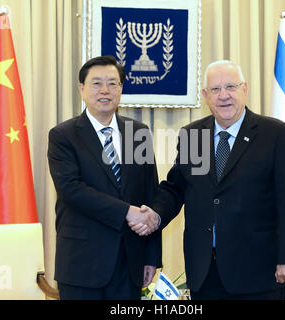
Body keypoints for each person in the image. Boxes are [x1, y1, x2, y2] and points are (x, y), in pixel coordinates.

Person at [135, 60, 285, 300]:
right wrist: (155, 214)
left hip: (258, 272)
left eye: (230, 87)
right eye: (215, 89)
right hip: (205, 273)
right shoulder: (193, 135)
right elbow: (176, 188)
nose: (223, 95)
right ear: (206, 95)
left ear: (244, 89)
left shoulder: (274, 134)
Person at [47, 55, 161, 300]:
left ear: (121, 89)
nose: (105, 90)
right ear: (82, 89)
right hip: (82, 265)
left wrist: (151, 257)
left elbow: (149, 194)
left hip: (129, 263)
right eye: (96, 83)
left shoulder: (138, 133)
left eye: (113, 83)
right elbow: (71, 190)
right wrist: (126, 212)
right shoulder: (63, 136)